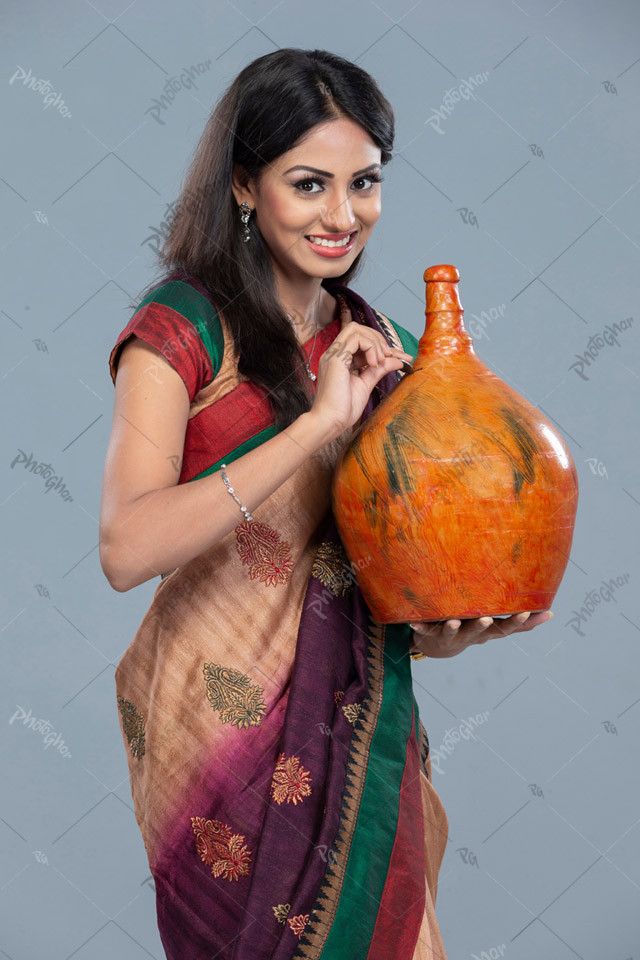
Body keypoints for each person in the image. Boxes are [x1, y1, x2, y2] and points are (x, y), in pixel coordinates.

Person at [100, 47, 552, 960]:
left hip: (356, 741)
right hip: (215, 737)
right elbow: (124, 546)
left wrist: (451, 627)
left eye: (366, 183)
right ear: (243, 185)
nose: (343, 216)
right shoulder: (182, 330)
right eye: (309, 184)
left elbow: (389, 576)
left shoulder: (385, 347)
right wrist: (313, 429)